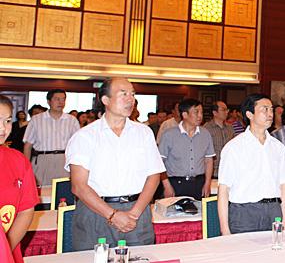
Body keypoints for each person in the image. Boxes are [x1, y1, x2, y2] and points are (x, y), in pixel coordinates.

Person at [65, 78, 163, 251]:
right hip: (96, 211)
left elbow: (154, 175)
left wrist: (135, 213)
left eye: (132, 94)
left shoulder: (144, 133)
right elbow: (78, 186)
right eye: (123, 94)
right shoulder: (85, 136)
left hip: (137, 211)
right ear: (106, 100)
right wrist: (112, 215)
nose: (130, 99)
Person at [217, 94, 285, 235]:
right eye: (265, 109)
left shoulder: (278, 147)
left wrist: (284, 222)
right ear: (249, 114)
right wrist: (225, 230)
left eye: (271, 109)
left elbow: (284, 186)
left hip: (273, 210)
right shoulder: (234, 147)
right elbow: (224, 190)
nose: (270, 114)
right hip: (244, 214)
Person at [0, 95, 38, 263]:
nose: (2, 128)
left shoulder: (17, 160)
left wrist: (5, 248)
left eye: (7, 121)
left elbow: (26, 209)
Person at [158, 98, 215, 199]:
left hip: (199, 183)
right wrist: (166, 185)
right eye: (196, 112)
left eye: (201, 112)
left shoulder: (205, 134)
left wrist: (207, 183)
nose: (200, 116)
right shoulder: (169, 134)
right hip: (175, 183)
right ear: (185, 115)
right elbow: (159, 162)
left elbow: (209, 160)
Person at [23, 89, 80, 187]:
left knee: (62, 192)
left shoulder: (72, 120)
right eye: (57, 99)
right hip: (42, 159)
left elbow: (78, 145)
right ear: (49, 101)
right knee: (41, 191)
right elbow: (28, 145)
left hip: (64, 160)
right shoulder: (36, 119)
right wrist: (25, 167)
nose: (61, 102)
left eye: (63, 99)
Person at [203, 100, 234, 177]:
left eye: (227, 110)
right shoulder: (206, 129)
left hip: (229, 169)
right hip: (213, 171)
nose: (226, 112)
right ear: (215, 113)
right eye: (223, 110)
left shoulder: (230, 128)